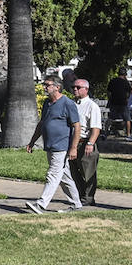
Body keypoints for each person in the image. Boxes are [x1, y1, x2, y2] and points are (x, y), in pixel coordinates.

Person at [25, 75, 83, 214]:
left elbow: (77, 126)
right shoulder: (47, 103)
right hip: (50, 146)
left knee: (53, 174)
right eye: (44, 84)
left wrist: (73, 148)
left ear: (57, 87)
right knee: (64, 177)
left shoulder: (67, 103)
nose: (44, 87)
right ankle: (76, 204)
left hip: (61, 146)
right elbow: (42, 124)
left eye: (47, 85)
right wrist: (32, 142)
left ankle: (41, 204)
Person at [69, 78, 102, 207]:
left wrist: (90, 143)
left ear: (86, 89)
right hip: (72, 142)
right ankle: (80, 195)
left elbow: (96, 128)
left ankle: (88, 198)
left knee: (88, 172)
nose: (75, 89)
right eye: (73, 87)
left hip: (85, 142)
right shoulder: (72, 104)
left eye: (78, 87)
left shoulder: (92, 106)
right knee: (73, 171)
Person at [105, 73, 130, 137]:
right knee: (127, 119)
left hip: (114, 102)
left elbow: (108, 92)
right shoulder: (125, 82)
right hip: (123, 103)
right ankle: (128, 134)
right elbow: (131, 90)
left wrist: (110, 98)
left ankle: (106, 132)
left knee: (110, 118)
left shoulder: (112, 81)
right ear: (125, 75)